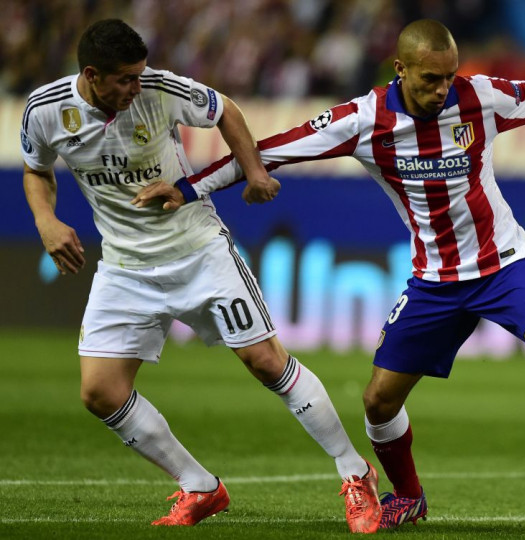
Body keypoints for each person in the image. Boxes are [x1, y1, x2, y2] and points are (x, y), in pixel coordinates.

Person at [134, 19, 525, 531]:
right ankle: (409, 495)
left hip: (503, 264)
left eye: (449, 76)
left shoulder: (480, 98)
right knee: (378, 402)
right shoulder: (364, 119)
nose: (443, 89)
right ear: (400, 70)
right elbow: (273, 149)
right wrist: (187, 189)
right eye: (430, 79)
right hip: (435, 282)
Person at [20, 19, 381, 533]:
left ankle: (355, 472)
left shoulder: (161, 90)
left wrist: (254, 170)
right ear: (92, 75)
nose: (135, 88)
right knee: (100, 392)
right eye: (124, 80)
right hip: (125, 266)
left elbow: (225, 109)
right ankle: (200, 486)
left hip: (198, 251)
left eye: (139, 76)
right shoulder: (45, 111)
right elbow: (37, 169)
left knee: (265, 361)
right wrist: (46, 221)